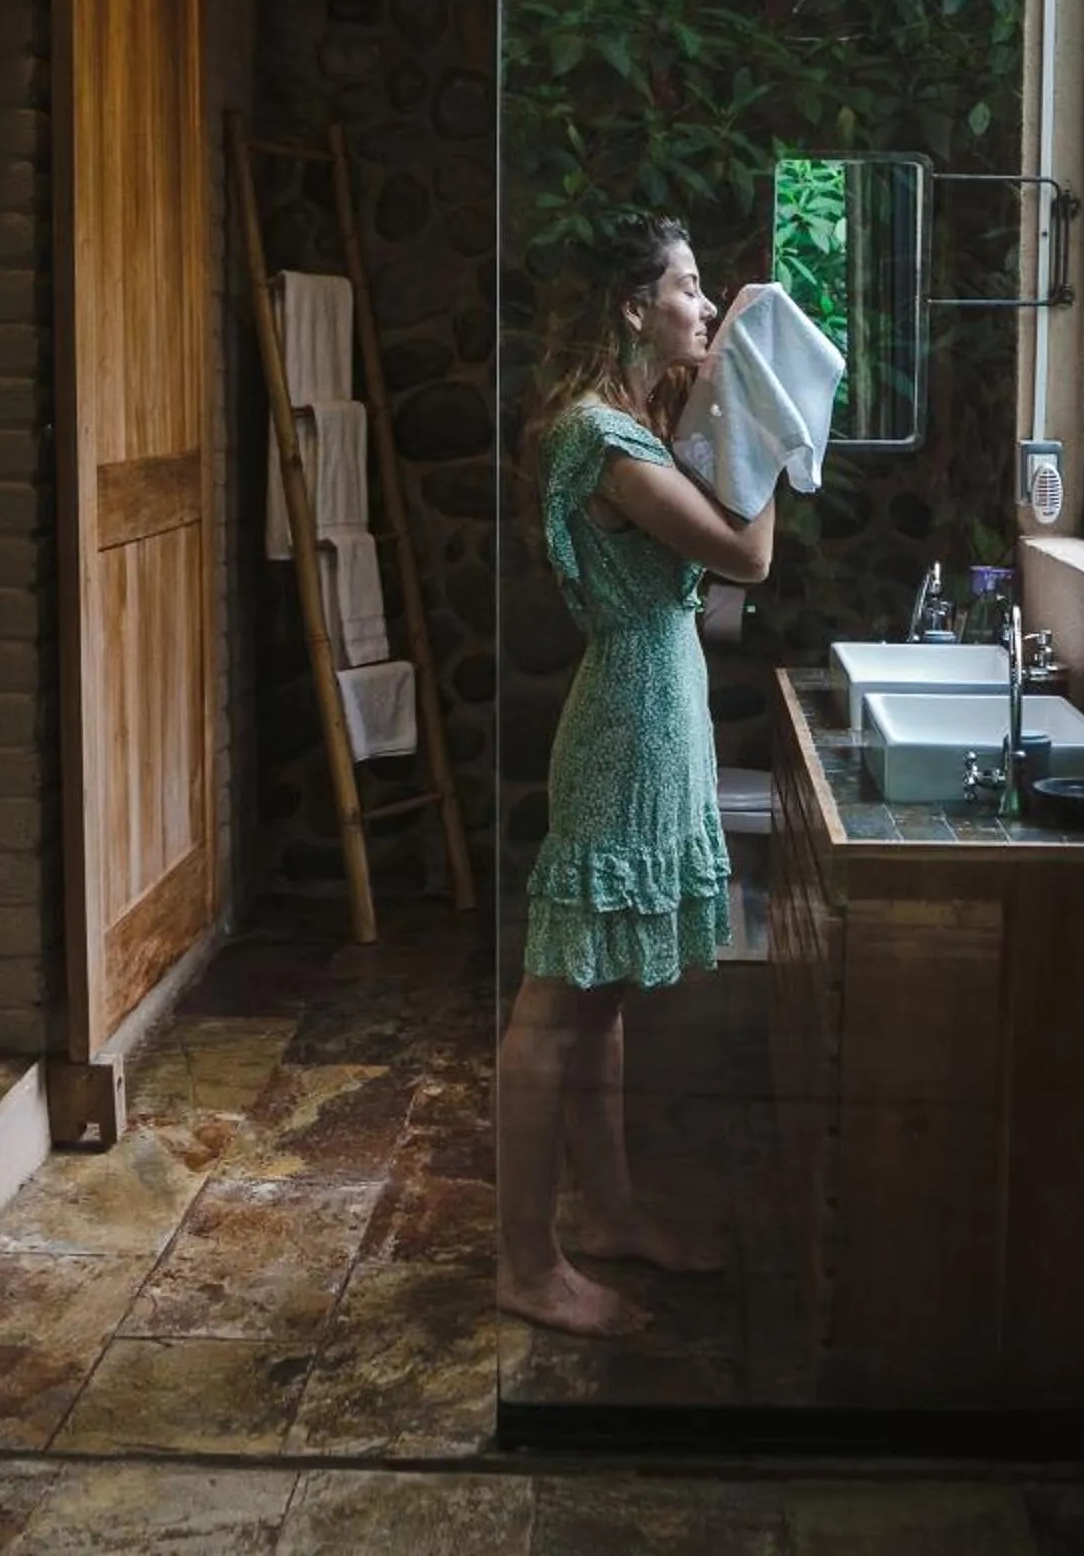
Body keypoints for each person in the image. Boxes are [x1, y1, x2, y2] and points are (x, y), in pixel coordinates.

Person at [497, 212, 779, 1341]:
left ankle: (608, 1214)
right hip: (623, 724)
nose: (705, 309)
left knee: (602, 995)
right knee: (553, 1007)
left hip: (654, 716)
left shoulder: (629, 423)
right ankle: (526, 1264)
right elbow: (749, 554)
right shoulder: (598, 438)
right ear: (632, 305)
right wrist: (771, 420)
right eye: (689, 287)